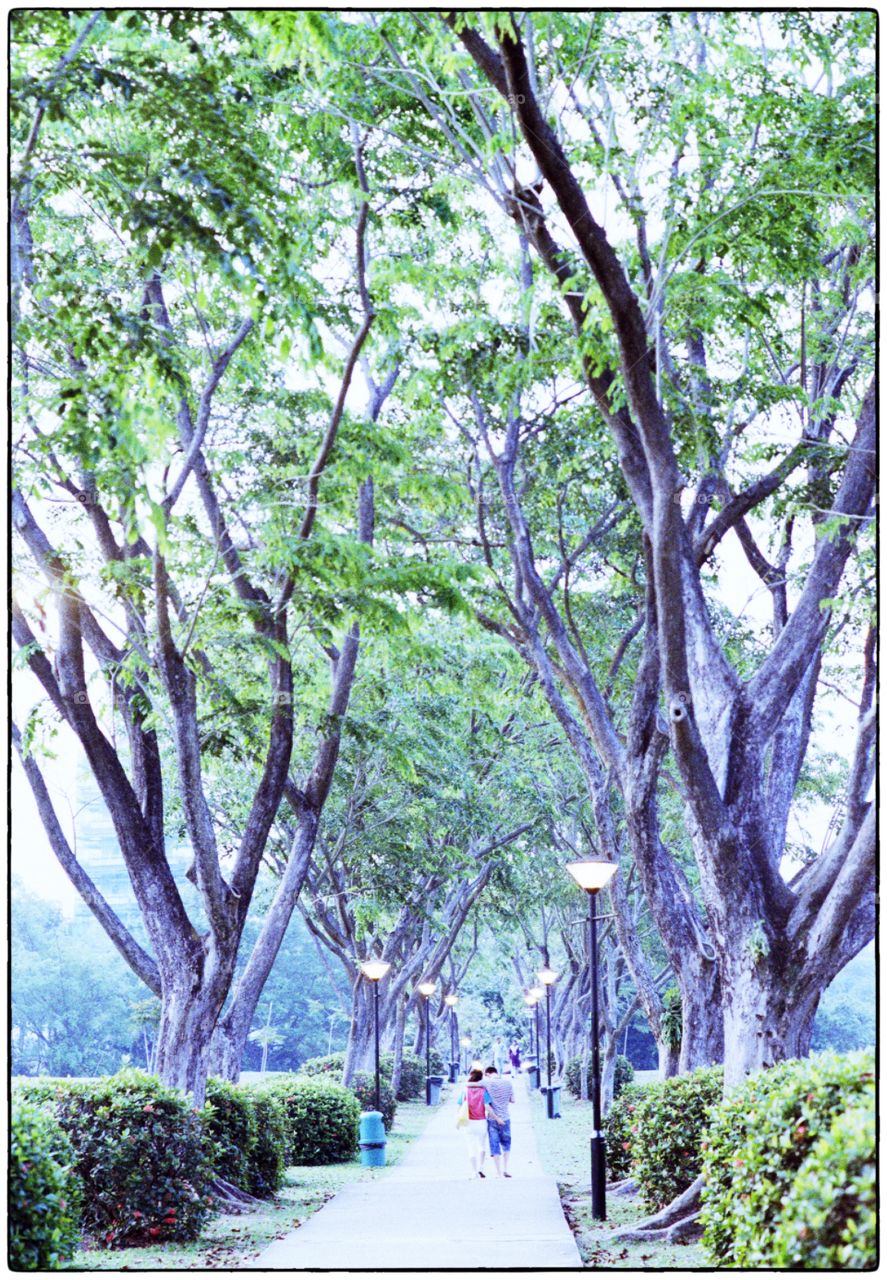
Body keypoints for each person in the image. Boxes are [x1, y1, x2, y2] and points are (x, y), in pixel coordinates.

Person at [456, 1067, 493, 1178]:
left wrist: (458, 1119)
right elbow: (487, 1106)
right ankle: (480, 1167)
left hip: (468, 1122)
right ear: (481, 1078)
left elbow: (459, 1107)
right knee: (481, 1146)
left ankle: (474, 1171)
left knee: (471, 1147)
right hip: (481, 1121)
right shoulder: (483, 1091)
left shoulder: (464, 1091)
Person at [484, 1065, 515, 1178]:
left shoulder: (487, 1083)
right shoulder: (508, 1083)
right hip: (506, 1118)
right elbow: (513, 1100)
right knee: (506, 1144)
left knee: (494, 1145)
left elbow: (470, 1084)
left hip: (493, 1119)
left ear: (487, 1073)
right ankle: (506, 1169)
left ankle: (498, 1172)